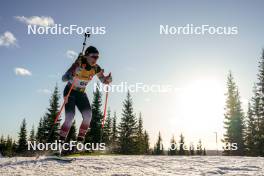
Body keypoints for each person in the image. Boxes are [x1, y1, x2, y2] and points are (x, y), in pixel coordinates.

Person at [59, 46, 112, 142]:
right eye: (93, 57)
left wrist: (107, 80)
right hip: (70, 91)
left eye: (97, 57)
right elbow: (63, 78)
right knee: (70, 117)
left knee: (88, 116)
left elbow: (103, 80)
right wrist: (72, 74)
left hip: (81, 93)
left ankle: (79, 142)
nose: (95, 59)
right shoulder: (78, 64)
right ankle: (59, 144)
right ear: (87, 56)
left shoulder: (95, 68)